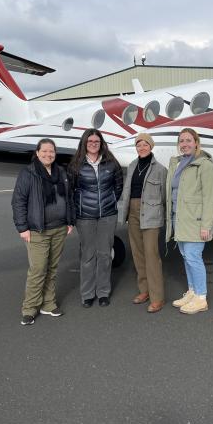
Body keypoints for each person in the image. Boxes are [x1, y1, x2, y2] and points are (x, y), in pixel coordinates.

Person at [11, 138, 75, 326]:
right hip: (38, 230)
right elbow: (18, 201)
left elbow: (68, 197)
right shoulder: (28, 173)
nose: (48, 154)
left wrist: (69, 220)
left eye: (52, 151)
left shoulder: (61, 172)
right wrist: (22, 228)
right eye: (45, 151)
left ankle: (48, 304)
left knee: (52, 269)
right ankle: (30, 308)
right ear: (37, 153)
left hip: (59, 228)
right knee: (38, 269)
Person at [165, 128, 213, 314]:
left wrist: (206, 225)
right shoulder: (178, 164)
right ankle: (192, 291)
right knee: (187, 257)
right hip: (179, 219)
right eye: (182, 141)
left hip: (195, 221)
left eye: (188, 140)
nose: (185, 144)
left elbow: (210, 198)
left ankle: (201, 297)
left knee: (194, 257)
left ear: (196, 142)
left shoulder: (205, 166)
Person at [69, 129, 123, 308]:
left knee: (105, 255)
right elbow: (71, 191)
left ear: (101, 143)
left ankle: (103, 292)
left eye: (96, 141)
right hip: (85, 217)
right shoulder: (76, 165)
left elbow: (118, 185)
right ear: (84, 143)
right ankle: (87, 294)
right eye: (90, 141)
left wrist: (110, 202)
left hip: (107, 215)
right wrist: (79, 209)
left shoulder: (111, 163)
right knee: (87, 255)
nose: (93, 144)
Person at [120, 133, 168, 313]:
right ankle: (144, 290)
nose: (142, 147)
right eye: (138, 144)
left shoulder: (160, 169)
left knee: (151, 254)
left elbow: (164, 197)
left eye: (145, 144)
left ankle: (158, 298)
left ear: (151, 146)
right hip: (132, 211)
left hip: (151, 213)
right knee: (138, 253)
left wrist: (161, 216)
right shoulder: (132, 166)